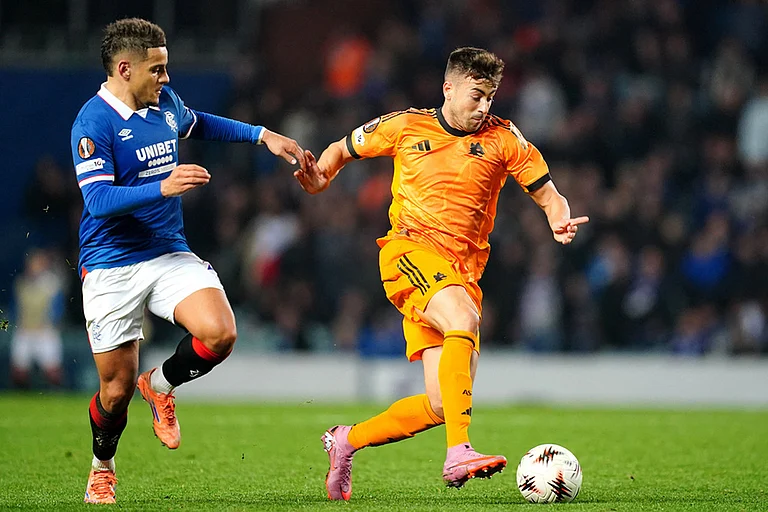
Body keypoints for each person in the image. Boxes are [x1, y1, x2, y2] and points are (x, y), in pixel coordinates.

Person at [296, 47, 589, 500]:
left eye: (491, 97)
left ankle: (346, 440)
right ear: (448, 87)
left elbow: (549, 192)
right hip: (409, 252)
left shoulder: (504, 137)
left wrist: (557, 216)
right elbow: (341, 148)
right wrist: (323, 177)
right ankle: (459, 452)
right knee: (462, 321)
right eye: (477, 96)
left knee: (440, 403)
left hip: (461, 274)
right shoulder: (405, 126)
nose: (485, 107)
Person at [71, 18, 307, 504]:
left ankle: (158, 384)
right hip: (111, 262)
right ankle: (102, 467)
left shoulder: (165, 104)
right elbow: (96, 201)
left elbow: (201, 123)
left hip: (168, 252)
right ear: (124, 68)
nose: (166, 78)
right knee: (113, 395)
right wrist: (163, 186)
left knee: (220, 333)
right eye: (157, 69)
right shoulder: (93, 122)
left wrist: (265, 136)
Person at [9, 248, 65, 388]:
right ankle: (22, 395)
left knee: (52, 370)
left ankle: (55, 395)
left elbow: (58, 308)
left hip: (45, 330)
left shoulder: (52, 284)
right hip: (25, 329)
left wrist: (52, 322)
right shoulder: (21, 283)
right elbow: (15, 306)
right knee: (19, 370)